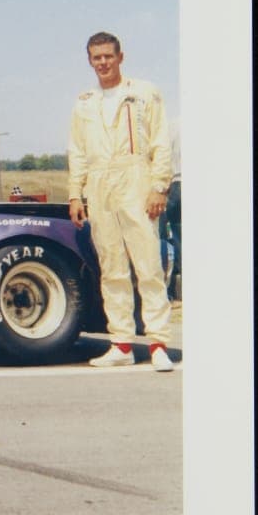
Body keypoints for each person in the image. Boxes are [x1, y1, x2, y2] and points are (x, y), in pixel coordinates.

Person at [67, 32, 174, 371]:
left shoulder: (143, 93)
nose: (103, 63)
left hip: (136, 180)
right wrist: (75, 192)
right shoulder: (85, 102)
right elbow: (78, 151)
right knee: (112, 267)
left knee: (147, 265)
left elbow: (161, 142)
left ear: (120, 57)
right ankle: (122, 344)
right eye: (96, 58)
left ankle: (158, 344)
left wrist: (159, 187)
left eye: (108, 56)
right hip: (100, 185)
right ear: (89, 60)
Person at [159, 116, 182, 302]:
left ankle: (174, 287)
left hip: (177, 183)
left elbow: (163, 159)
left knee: (172, 235)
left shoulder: (173, 125)